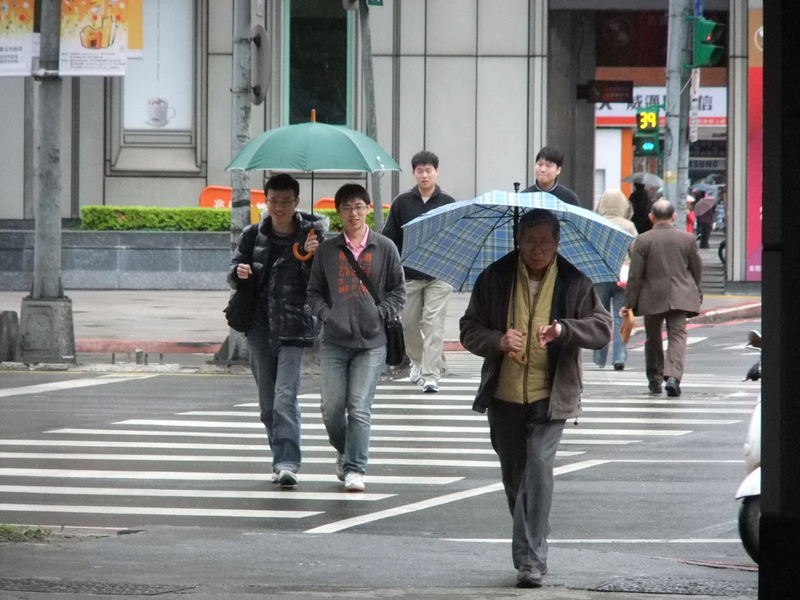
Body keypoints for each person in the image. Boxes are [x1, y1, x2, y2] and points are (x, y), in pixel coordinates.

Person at [459, 209, 611, 588]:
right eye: (530, 241)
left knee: (538, 471)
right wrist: (497, 340)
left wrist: (564, 329)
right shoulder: (494, 278)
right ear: (518, 241)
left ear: (558, 244)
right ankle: (532, 541)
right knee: (516, 479)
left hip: (551, 396)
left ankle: (531, 561)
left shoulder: (575, 282)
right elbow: (468, 328)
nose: (537, 249)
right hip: (505, 395)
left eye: (545, 242)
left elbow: (602, 328)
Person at [306, 183, 406, 492]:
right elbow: (313, 294)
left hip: (372, 343)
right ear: (338, 212)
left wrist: (380, 313)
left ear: (369, 209)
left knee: (359, 406)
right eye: (347, 207)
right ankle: (345, 449)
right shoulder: (327, 250)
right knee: (331, 409)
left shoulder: (385, 247)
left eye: (359, 206)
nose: (354, 213)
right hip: (335, 341)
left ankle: (354, 468)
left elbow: (398, 292)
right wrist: (327, 315)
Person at [228, 173, 324, 488]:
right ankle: (279, 456)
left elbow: (322, 281)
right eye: (273, 201)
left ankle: (287, 462)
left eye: (286, 202)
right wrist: (239, 272)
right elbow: (234, 272)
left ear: (296, 202)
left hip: (294, 325)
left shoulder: (314, 233)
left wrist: (313, 255)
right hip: (257, 325)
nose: (279, 208)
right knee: (268, 405)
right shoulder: (252, 234)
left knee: (285, 397)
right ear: (265, 201)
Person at [383, 150, 456, 393]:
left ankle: (431, 374)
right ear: (414, 173)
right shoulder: (402, 203)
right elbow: (389, 239)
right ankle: (416, 361)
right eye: (420, 171)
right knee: (409, 323)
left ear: (437, 172)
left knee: (433, 323)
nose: (425, 175)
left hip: (439, 274)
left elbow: (455, 238)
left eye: (429, 170)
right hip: (409, 275)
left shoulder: (448, 204)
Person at [621, 199, 703, 397]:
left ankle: (655, 379)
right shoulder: (687, 239)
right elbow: (696, 268)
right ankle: (674, 376)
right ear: (674, 216)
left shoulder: (643, 240)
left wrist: (628, 303)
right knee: (677, 335)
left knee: (653, 338)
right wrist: (696, 290)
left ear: (651, 217)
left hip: (651, 296)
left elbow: (635, 275)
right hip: (681, 294)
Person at [593, 189, 637, 371]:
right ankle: (619, 358)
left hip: (600, 276)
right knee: (621, 318)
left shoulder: (596, 223)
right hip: (623, 277)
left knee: (601, 317)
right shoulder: (628, 225)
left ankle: (599, 358)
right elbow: (636, 252)